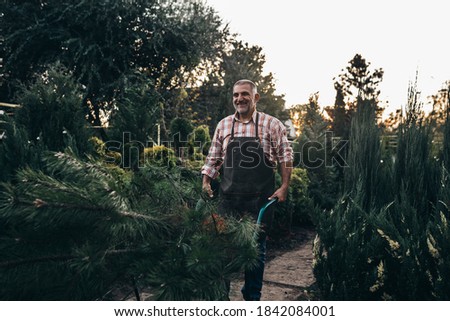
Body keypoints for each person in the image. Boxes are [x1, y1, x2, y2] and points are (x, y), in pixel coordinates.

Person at [201, 79, 293, 301]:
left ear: (256, 98)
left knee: (256, 251)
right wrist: (205, 181)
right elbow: (213, 158)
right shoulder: (223, 125)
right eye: (235, 95)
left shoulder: (271, 124)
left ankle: (252, 297)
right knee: (222, 249)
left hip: (259, 201)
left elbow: (285, 156)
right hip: (228, 199)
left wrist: (284, 186)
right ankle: (220, 298)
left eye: (244, 94)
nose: (239, 99)